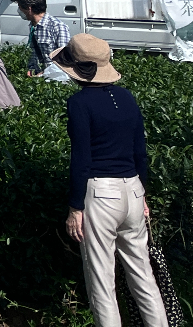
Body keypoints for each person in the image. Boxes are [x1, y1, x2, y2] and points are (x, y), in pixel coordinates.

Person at [55, 34, 167, 327]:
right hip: (133, 189)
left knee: (102, 283)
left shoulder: (79, 102)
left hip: (101, 193)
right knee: (143, 276)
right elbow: (140, 152)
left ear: (76, 70)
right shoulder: (127, 97)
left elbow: (81, 158)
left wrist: (75, 207)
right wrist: (143, 195)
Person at [16, 0, 71, 80]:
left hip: (54, 79)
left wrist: (45, 73)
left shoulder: (58, 26)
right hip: (38, 78)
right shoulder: (33, 26)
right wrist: (31, 69)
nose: (19, 11)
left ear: (29, 8)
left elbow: (65, 60)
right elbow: (34, 54)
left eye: (20, 7)